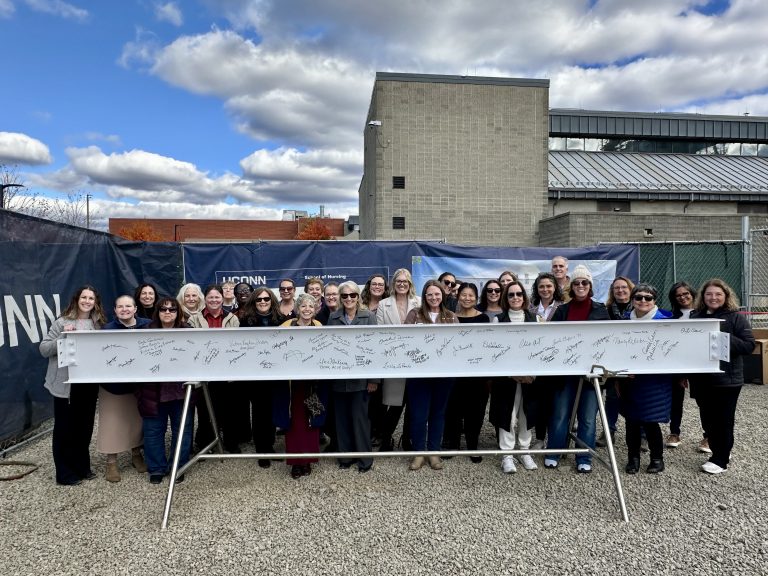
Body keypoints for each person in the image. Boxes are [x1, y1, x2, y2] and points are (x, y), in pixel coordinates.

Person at [40, 285, 107, 485]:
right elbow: (43, 349)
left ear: (96, 302)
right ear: (77, 299)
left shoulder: (98, 323)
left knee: (84, 427)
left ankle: (82, 467)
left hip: (87, 384)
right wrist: (62, 337)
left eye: (91, 298)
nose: (87, 301)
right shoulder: (62, 322)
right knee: (64, 428)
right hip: (65, 385)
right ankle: (64, 473)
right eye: (84, 297)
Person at [546, 265, 609, 473]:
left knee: (588, 417)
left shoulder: (601, 310)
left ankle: (584, 457)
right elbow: (552, 340)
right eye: (576, 282)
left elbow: (607, 340)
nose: (580, 286)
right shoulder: (562, 310)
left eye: (584, 282)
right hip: (565, 374)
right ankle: (553, 452)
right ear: (571, 287)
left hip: (590, 374)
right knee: (560, 414)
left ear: (590, 286)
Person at [689, 279, 754, 474]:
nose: (713, 297)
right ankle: (721, 449)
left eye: (718, 294)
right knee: (707, 418)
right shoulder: (695, 316)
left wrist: (721, 337)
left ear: (726, 296)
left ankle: (721, 460)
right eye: (709, 294)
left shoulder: (735, 318)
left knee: (723, 419)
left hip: (727, 380)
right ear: (703, 296)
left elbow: (748, 345)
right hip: (701, 379)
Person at [137, 296, 194, 484]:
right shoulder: (145, 331)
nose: (167, 313)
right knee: (153, 431)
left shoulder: (188, 332)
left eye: (172, 309)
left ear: (178, 312)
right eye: (163, 309)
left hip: (181, 391)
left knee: (182, 431)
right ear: (157, 312)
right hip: (153, 391)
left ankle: (178, 466)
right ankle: (156, 468)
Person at [405, 279, 458, 471]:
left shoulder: (451, 316)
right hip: (418, 374)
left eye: (437, 294)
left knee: (438, 413)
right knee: (419, 414)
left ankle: (434, 452)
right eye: (429, 294)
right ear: (424, 297)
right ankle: (418, 452)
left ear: (442, 295)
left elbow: (457, 345)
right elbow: (406, 342)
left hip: (444, 374)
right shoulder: (415, 315)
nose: (434, 297)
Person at [620, 284, 673, 474]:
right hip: (631, 378)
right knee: (631, 421)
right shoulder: (624, 320)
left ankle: (657, 458)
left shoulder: (666, 320)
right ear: (632, 300)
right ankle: (633, 458)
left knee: (651, 421)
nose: (643, 301)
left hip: (655, 380)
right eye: (639, 297)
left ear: (654, 300)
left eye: (648, 298)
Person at [275, 293, 329, 479]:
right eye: (303, 306)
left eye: (310, 306)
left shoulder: (319, 326)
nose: (307, 309)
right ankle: (295, 462)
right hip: (292, 386)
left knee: (312, 420)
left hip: (313, 385)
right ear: (297, 309)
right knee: (294, 422)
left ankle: (308, 460)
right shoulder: (286, 326)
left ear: (315, 310)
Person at [327, 281, 378, 472]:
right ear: (340, 298)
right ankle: (345, 458)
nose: (348, 299)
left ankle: (365, 460)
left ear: (358, 297)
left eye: (352, 295)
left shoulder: (369, 317)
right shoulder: (333, 318)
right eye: (344, 296)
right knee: (341, 420)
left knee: (360, 420)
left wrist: (374, 379)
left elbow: (375, 350)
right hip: (338, 380)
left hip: (361, 380)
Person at [99, 295, 151, 482]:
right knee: (111, 422)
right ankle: (111, 463)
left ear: (135, 308)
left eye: (128, 306)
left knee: (137, 422)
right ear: (114, 310)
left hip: (139, 384)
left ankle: (136, 455)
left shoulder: (148, 325)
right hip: (113, 386)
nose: (124, 309)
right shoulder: (106, 330)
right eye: (120, 307)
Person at [490, 280, 539, 473]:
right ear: (506, 298)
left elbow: (541, 350)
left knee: (526, 413)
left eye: (519, 294)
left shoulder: (536, 320)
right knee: (507, 415)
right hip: (506, 379)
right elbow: (495, 352)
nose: (515, 298)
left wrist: (531, 374)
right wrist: (513, 374)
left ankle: (524, 451)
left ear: (524, 297)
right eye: (511, 294)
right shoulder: (498, 320)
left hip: (530, 379)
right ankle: (507, 454)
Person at [187, 284, 241, 452]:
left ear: (222, 298)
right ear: (205, 299)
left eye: (217, 297)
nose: (214, 300)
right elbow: (192, 345)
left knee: (229, 409)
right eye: (210, 297)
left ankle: (231, 442)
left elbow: (236, 345)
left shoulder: (232, 318)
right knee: (204, 410)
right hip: (204, 372)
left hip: (226, 371)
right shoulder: (194, 319)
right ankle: (204, 442)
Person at [442, 282, 490, 462]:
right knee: (453, 409)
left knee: (476, 411)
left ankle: (472, 446)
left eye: (471, 295)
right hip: (454, 373)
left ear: (476, 298)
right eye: (464, 295)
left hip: (477, 374)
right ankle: (452, 444)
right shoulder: (450, 318)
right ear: (458, 296)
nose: (467, 298)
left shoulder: (483, 318)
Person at [375, 268, 421, 451]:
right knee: (394, 404)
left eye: (405, 281)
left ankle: (407, 439)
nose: (402, 284)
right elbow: (379, 333)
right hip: (392, 359)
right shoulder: (384, 304)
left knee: (413, 403)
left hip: (415, 360)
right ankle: (386, 438)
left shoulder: (418, 302)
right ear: (393, 284)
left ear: (410, 284)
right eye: (398, 281)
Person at [238, 286, 281, 467]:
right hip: (255, 376)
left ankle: (270, 445)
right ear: (253, 302)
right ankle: (261, 449)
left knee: (272, 411)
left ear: (272, 300)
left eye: (266, 299)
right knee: (258, 412)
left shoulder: (281, 320)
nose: (263, 302)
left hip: (276, 374)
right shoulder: (246, 321)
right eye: (259, 299)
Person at [597, 276, 637, 448]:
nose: (620, 291)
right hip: (612, 359)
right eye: (616, 288)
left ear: (630, 289)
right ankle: (609, 431)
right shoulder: (605, 310)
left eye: (624, 288)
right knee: (612, 396)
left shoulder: (640, 308)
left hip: (634, 360)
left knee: (636, 396)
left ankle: (640, 433)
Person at [528, 272, 564, 451]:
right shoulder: (530, 308)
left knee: (555, 404)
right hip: (535, 362)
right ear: (537, 288)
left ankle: (556, 440)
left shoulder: (562, 307)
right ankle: (540, 438)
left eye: (549, 286)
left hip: (556, 362)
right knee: (539, 403)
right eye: (541, 286)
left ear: (555, 287)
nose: (545, 289)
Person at [666, 281, 698, 449]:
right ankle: (674, 433)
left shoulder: (703, 314)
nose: (683, 297)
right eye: (678, 295)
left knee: (703, 401)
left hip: (699, 363)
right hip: (678, 364)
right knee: (676, 401)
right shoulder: (672, 316)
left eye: (686, 293)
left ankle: (708, 436)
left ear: (692, 293)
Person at [360, 273, 390, 444]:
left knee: (380, 398)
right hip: (364, 354)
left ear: (385, 288)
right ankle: (366, 431)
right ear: (369, 286)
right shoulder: (360, 304)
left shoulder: (388, 305)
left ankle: (378, 432)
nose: (377, 287)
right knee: (365, 398)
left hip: (382, 356)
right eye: (374, 284)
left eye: (381, 284)